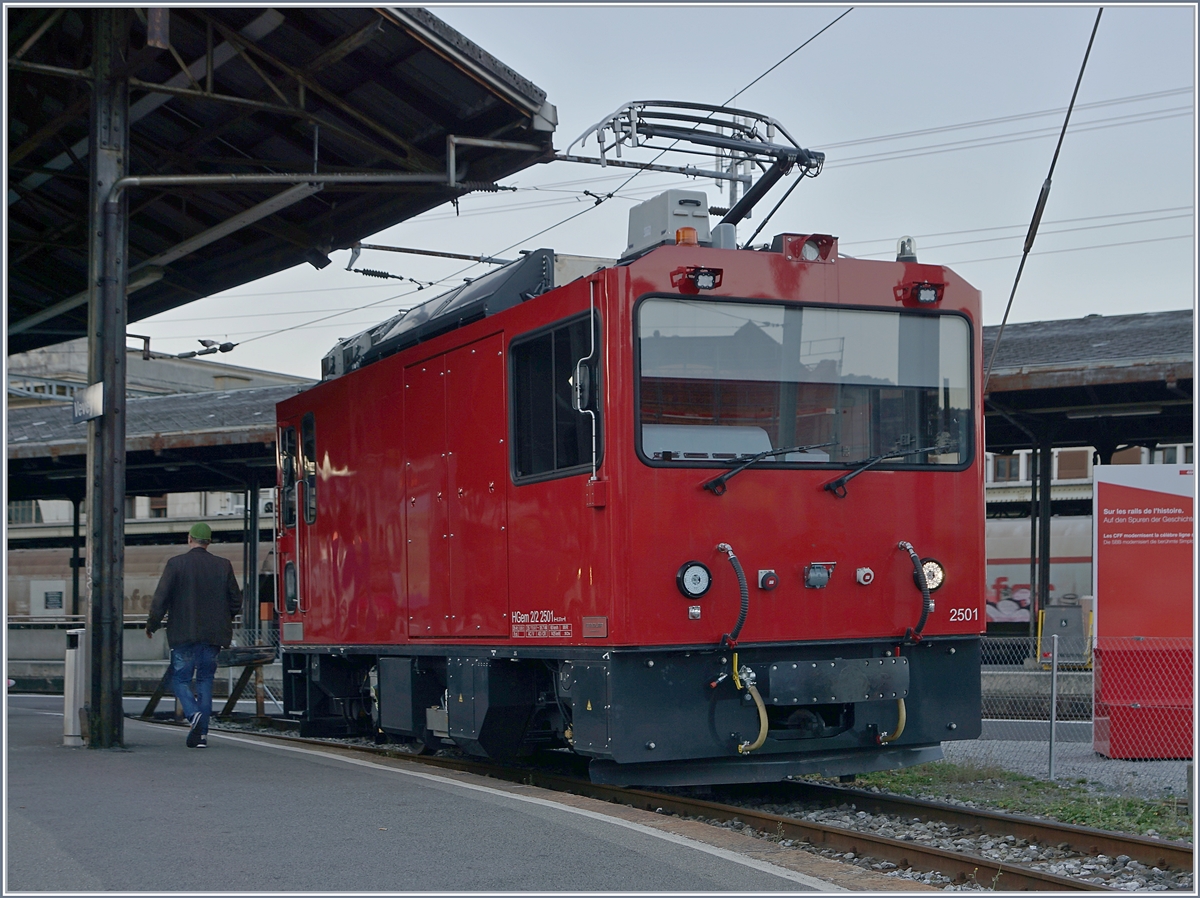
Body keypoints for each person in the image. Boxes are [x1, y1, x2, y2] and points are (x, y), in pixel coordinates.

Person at [146, 522, 242, 748]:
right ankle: (201, 735)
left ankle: (193, 714)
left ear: (190, 539)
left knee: (180, 679)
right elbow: (236, 602)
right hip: (213, 637)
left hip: (183, 635)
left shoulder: (176, 564)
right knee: (205, 680)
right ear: (209, 542)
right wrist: (221, 617)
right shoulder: (223, 566)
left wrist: (152, 624)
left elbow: (161, 599)